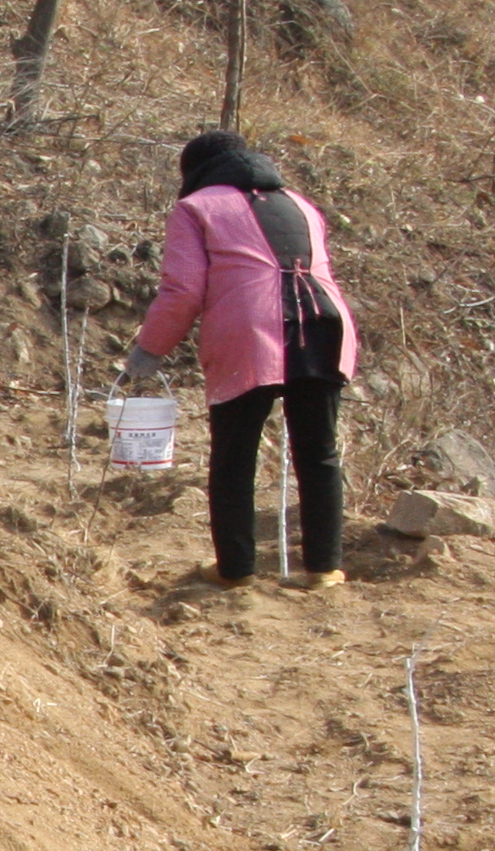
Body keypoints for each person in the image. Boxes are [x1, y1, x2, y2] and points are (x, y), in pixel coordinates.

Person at [123, 129, 361, 589]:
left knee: (235, 454)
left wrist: (150, 348)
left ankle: (235, 571)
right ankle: (325, 569)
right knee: (320, 451)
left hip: (251, 330)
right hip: (326, 324)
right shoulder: (301, 204)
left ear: (195, 171)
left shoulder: (196, 207)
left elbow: (183, 290)